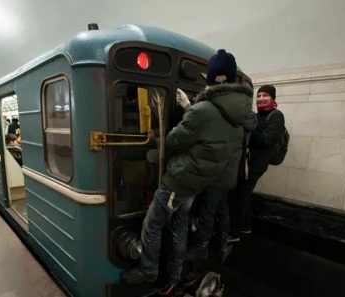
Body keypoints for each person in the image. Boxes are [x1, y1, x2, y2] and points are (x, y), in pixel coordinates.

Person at [122, 49, 253, 285]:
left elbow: (173, 141)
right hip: (199, 183)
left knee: (152, 224)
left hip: (179, 180)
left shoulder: (201, 111)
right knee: (179, 224)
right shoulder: (239, 113)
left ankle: (148, 270)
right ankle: (174, 271)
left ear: (211, 80)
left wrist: (167, 129)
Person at [186, 88, 257, 260]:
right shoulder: (246, 119)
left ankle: (201, 247)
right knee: (222, 207)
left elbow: (206, 124)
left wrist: (188, 106)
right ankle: (223, 239)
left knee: (207, 210)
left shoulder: (231, 120)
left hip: (218, 172)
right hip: (230, 173)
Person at [231, 85, 285, 241]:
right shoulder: (257, 115)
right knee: (244, 194)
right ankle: (245, 226)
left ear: (273, 98)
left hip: (256, 165)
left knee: (241, 195)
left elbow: (267, 139)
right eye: (259, 96)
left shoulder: (276, 116)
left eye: (265, 95)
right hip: (247, 161)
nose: (261, 99)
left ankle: (234, 233)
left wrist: (248, 131)